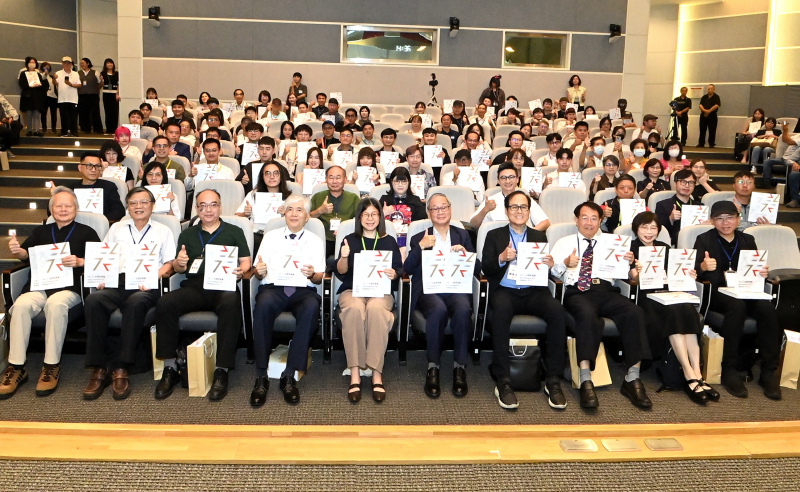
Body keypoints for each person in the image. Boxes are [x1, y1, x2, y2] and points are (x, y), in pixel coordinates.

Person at [550, 202, 652, 409]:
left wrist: (629, 262)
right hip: (578, 290)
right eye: (584, 217)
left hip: (606, 290)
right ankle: (586, 379)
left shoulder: (613, 242)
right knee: (587, 315)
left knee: (634, 312)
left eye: (594, 218)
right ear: (576, 220)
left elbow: (624, 274)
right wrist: (565, 263)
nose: (589, 222)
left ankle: (632, 378)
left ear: (600, 221)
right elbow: (552, 273)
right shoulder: (563, 242)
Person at [0, 187, 100, 399]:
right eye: (58, 206)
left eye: (68, 206)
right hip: (40, 286)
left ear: (76, 208)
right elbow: (27, 256)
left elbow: (100, 261)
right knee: (20, 306)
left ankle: (51, 366)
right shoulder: (41, 231)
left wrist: (80, 261)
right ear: (51, 209)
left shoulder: (87, 232)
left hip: (69, 289)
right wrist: (18, 251)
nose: (63, 209)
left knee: (55, 304)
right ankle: (16, 367)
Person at [154, 189, 251, 401]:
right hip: (195, 286)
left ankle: (222, 370)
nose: (208, 210)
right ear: (197, 209)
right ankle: (170, 368)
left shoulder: (234, 231)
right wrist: (179, 263)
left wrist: (241, 271)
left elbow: (246, 262)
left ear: (220, 207)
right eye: (203, 206)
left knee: (231, 302)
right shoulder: (187, 233)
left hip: (223, 285)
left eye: (213, 205)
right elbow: (179, 268)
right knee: (165, 303)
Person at [82, 187, 176, 400]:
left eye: (143, 202)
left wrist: (153, 277)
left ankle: (121, 367)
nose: (138, 206)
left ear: (152, 205)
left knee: (136, 303)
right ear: (127, 206)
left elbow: (169, 263)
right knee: (94, 300)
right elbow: (104, 255)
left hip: (147, 283)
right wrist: (100, 276)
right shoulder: (116, 228)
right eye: (133, 203)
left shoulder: (164, 231)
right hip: (118, 281)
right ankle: (99, 367)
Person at [480, 191, 569, 409]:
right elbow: (486, 268)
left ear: (529, 211)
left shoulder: (539, 237)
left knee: (557, 311)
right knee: (501, 312)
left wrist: (550, 265)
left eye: (523, 207)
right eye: (514, 207)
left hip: (533, 290)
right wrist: (501, 258)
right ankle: (503, 379)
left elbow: (543, 270)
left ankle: (553, 379)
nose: (519, 211)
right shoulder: (494, 235)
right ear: (506, 211)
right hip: (505, 290)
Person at [693, 200, 781, 400]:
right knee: (737, 306)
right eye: (720, 219)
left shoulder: (748, 240)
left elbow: (756, 268)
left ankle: (768, 371)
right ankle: (729, 368)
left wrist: (763, 273)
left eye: (730, 218)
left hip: (746, 290)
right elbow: (692, 270)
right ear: (712, 221)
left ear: (738, 219)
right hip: (718, 293)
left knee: (767, 308)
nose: (725, 223)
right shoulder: (704, 240)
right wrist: (703, 267)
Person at [627, 212, 717, 404]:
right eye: (644, 227)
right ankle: (688, 373)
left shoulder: (666, 248)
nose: (649, 232)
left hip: (669, 293)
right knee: (674, 312)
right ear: (636, 229)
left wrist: (689, 275)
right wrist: (639, 273)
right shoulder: (631, 248)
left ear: (659, 230)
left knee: (688, 309)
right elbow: (633, 279)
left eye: (653, 228)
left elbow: (676, 275)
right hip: (647, 297)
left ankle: (698, 374)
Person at [250, 195, 324, 406]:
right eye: (290, 209)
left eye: (299, 210)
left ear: (307, 216)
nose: (294, 213)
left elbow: (319, 276)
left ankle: (289, 374)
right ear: (284, 213)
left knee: (311, 307)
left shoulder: (315, 241)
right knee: (262, 305)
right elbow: (258, 270)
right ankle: (261, 375)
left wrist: (312, 274)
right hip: (274, 288)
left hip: (302, 290)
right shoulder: (270, 237)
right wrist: (259, 271)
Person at [403, 193, 479, 399]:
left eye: (443, 207)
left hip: (455, 287)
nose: (440, 211)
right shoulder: (420, 236)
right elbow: (407, 268)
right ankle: (433, 366)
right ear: (429, 213)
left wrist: (465, 256)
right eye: (435, 208)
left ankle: (459, 367)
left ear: (450, 209)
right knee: (438, 309)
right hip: (429, 289)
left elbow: (477, 268)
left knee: (463, 309)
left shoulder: (462, 235)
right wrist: (421, 247)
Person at [336, 197, 402, 403]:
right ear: (359, 217)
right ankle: (355, 373)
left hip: (380, 292)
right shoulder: (349, 239)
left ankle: (376, 373)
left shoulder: (389, 241)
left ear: (380, 217)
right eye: (366, 214)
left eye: (374, 214)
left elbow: (399, 270)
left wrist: (394, 273)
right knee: (354, 309)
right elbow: (340, 271)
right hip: (352, 290)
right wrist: (344, 256)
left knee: (375, 310)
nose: (370, 218)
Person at [470, 163, 550, 231]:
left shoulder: (525, 199)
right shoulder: (490, 200)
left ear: (517, 179)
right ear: (498, 181)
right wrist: (485, 210)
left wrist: (528, 234)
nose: (507, 181)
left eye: (511, 177)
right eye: (503, 177)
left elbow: (545, 222)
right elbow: (473, 224)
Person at [48, 151, 125, 222]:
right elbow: (51, 213)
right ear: (80, 168)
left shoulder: (109, 187)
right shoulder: (70, 189)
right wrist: (54, 197)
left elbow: (119, 211)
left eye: (97, 166)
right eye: (89, 166)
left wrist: (99, 220)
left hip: (100, 227)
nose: (93, 170)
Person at [236, 162, 292, 251]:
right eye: (268, 173)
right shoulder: (253, 194)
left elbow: (297, 221)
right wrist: (245, 214)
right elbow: (236, 216)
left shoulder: (289, 198)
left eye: (275, 173)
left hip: (280, 237)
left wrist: (285, 214)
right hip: (256, 236)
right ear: (263, 177)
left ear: (281, 176)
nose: (272, 177)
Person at [310, 165, 360, 258]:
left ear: (345, 179)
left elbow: (360, 220)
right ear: (326, 179)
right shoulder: (318, 196)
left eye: (338, 178)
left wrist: (344, 230)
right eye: (331, 178)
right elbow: (307, 218)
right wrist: (320, 210)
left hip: (347, 239)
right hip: (323, 239)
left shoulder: (353, 198)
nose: (334, 181)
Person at [378, 167, 427, 249]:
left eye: (404, 181)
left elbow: (422, 223)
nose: (400, 184)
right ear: (391, 182)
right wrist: (383, 213)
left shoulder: (415, 200)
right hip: (387, 239)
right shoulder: (384, 199)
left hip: (410, 240)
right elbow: (373, 222)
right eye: (397, 181)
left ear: (409, 182)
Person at [654, 169, 700, 246]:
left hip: (695, 244)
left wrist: (706, 226)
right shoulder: (663, 205)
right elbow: (658, 231)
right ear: (675, 184)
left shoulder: (700, 207)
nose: (687, 185)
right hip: (673, 245)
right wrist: (670, 219)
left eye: (691, 182)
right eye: (683, 182)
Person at [761, 121, 800, 193]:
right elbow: (784, 139)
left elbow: (789, 141)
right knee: (767, 162)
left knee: (790, 165)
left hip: (791, 159)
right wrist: (785, 130)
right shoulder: (797, 135)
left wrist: (785, 130)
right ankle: (766, 183)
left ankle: (788, 190)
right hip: (783, 158)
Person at [19, 57, 48, 137]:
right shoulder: (23, 73)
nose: (32, 64)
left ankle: (36, 130)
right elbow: (21, 83)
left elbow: (42, 84)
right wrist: (29, 86)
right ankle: (29, 130)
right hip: (27, 96)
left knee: (36, 114)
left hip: (37, 96)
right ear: (27, 63)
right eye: (31, 62)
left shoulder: (38, 74)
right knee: (28, 114)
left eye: (34, 62)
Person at [76, 58, 103, 134]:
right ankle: (85, 128)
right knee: (83, 112)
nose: (81, 64)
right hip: (82, 95)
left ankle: (97, 129)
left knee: (95, 112)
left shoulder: (95, 72)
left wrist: (95, 89)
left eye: (83, 63)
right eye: (81, 63)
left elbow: (100, 84)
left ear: (88, 63)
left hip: (93, 95)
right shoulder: (78, 73)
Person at [55, 56, 80, 137]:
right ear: (62, 64)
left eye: (68, 63)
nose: (67, 64)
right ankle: (64, 131)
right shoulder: (58, 73)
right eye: (65, 63)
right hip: (62, 98)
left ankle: (74, 131)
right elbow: (55, 83)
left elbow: (79, 84)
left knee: (73, 116)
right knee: (63, 116)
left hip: (73, 98)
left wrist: (71, 84)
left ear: (71, 64)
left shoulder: (75, 74)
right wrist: (54, 79)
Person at [99, 58, 119, 134]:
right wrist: (101, 80)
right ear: (105, 65)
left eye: (111, 63)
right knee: (107, 112)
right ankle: (108, 130)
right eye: (108, 63)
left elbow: (119, 84)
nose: (110, 64)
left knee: (115, 112)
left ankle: (114, 129)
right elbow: (101, 85)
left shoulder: (117, 73)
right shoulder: (102, 73)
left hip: (114, 94)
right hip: (106, 94)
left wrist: (117, 93)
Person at [39, 62, 58, 135]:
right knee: (44, 113)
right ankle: (44, 128)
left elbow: (55, 85)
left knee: (54, 113)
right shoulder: (41, 75)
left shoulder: (52, 77)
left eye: (48, 67)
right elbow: (42, 79)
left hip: (53, 96)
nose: (47, 68)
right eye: (45, 67)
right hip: (45, 97)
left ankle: (54, 128)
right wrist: (45, 73)